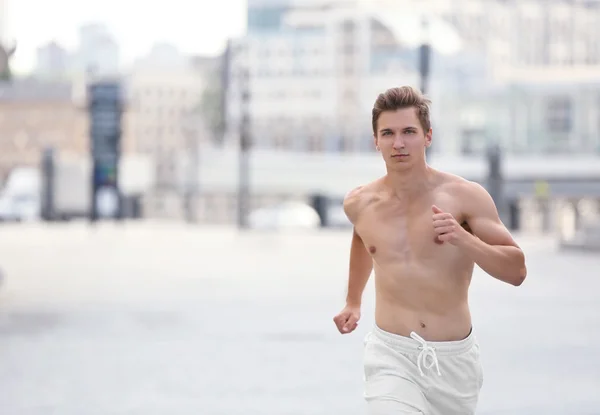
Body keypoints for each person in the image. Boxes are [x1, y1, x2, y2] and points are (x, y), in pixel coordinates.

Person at [332, 86, 527, 415]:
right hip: (390, 354)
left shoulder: (465, 198)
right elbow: (364, 239)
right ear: (375, 141)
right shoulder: (360, 203)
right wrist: (353, 299)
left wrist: (464, 239)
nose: (398, 143)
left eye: (409, 132)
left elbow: (517, 271)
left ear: (428, 136)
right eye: (388, 133)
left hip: (454, 361)